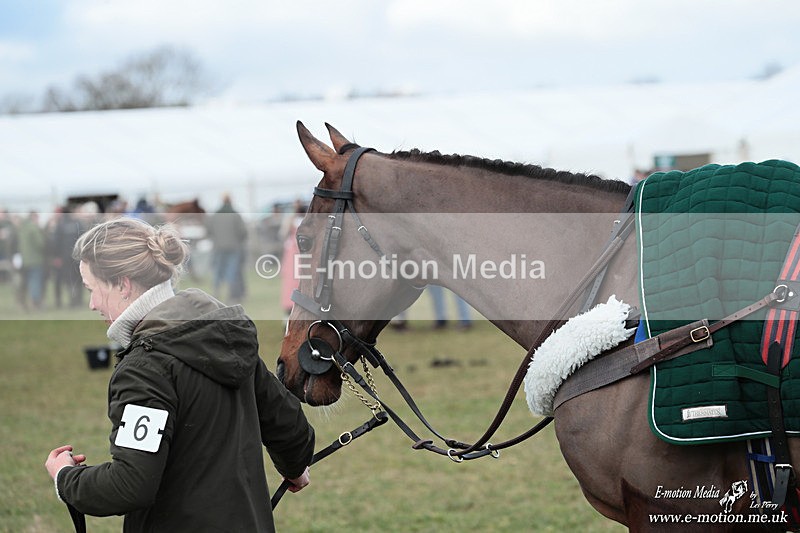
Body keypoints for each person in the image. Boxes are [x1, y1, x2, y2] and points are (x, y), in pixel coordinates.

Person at [45, 217, 315, 532]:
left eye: (93, 289)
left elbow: (130, 483)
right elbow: (289, 426)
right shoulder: (223, 336)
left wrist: (66, 478)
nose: (91, 304)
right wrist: (295, 467)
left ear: (123, 283)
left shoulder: (144, 369)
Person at [206, 194, 248, 303]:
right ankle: (232, 296)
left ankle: (215, 293)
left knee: (217, 271)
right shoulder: (235, 215)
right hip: (234, 247)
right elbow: (243, 232)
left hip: (218, 247)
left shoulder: (215, 215)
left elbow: (208, 230)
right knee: (232, 272)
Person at [17, 211, 46, 310]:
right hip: (36, 260)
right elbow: (40, 244)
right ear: (34, 217)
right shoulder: (33, 228)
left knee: (28, 282)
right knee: (35, 282)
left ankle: (25, 302)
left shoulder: (23, 228)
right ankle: (36, 303)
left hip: (25, 261)